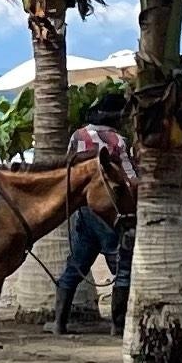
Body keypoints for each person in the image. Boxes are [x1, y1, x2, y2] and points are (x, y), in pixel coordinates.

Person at [48, 118, 134, 333]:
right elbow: (129, 177)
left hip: (85, 208)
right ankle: (118, 325)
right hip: (111, 209)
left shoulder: (78, 136)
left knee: (77, 264)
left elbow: (68, 168)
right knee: (122, 268)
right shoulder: (119, 140)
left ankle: (59, 323)